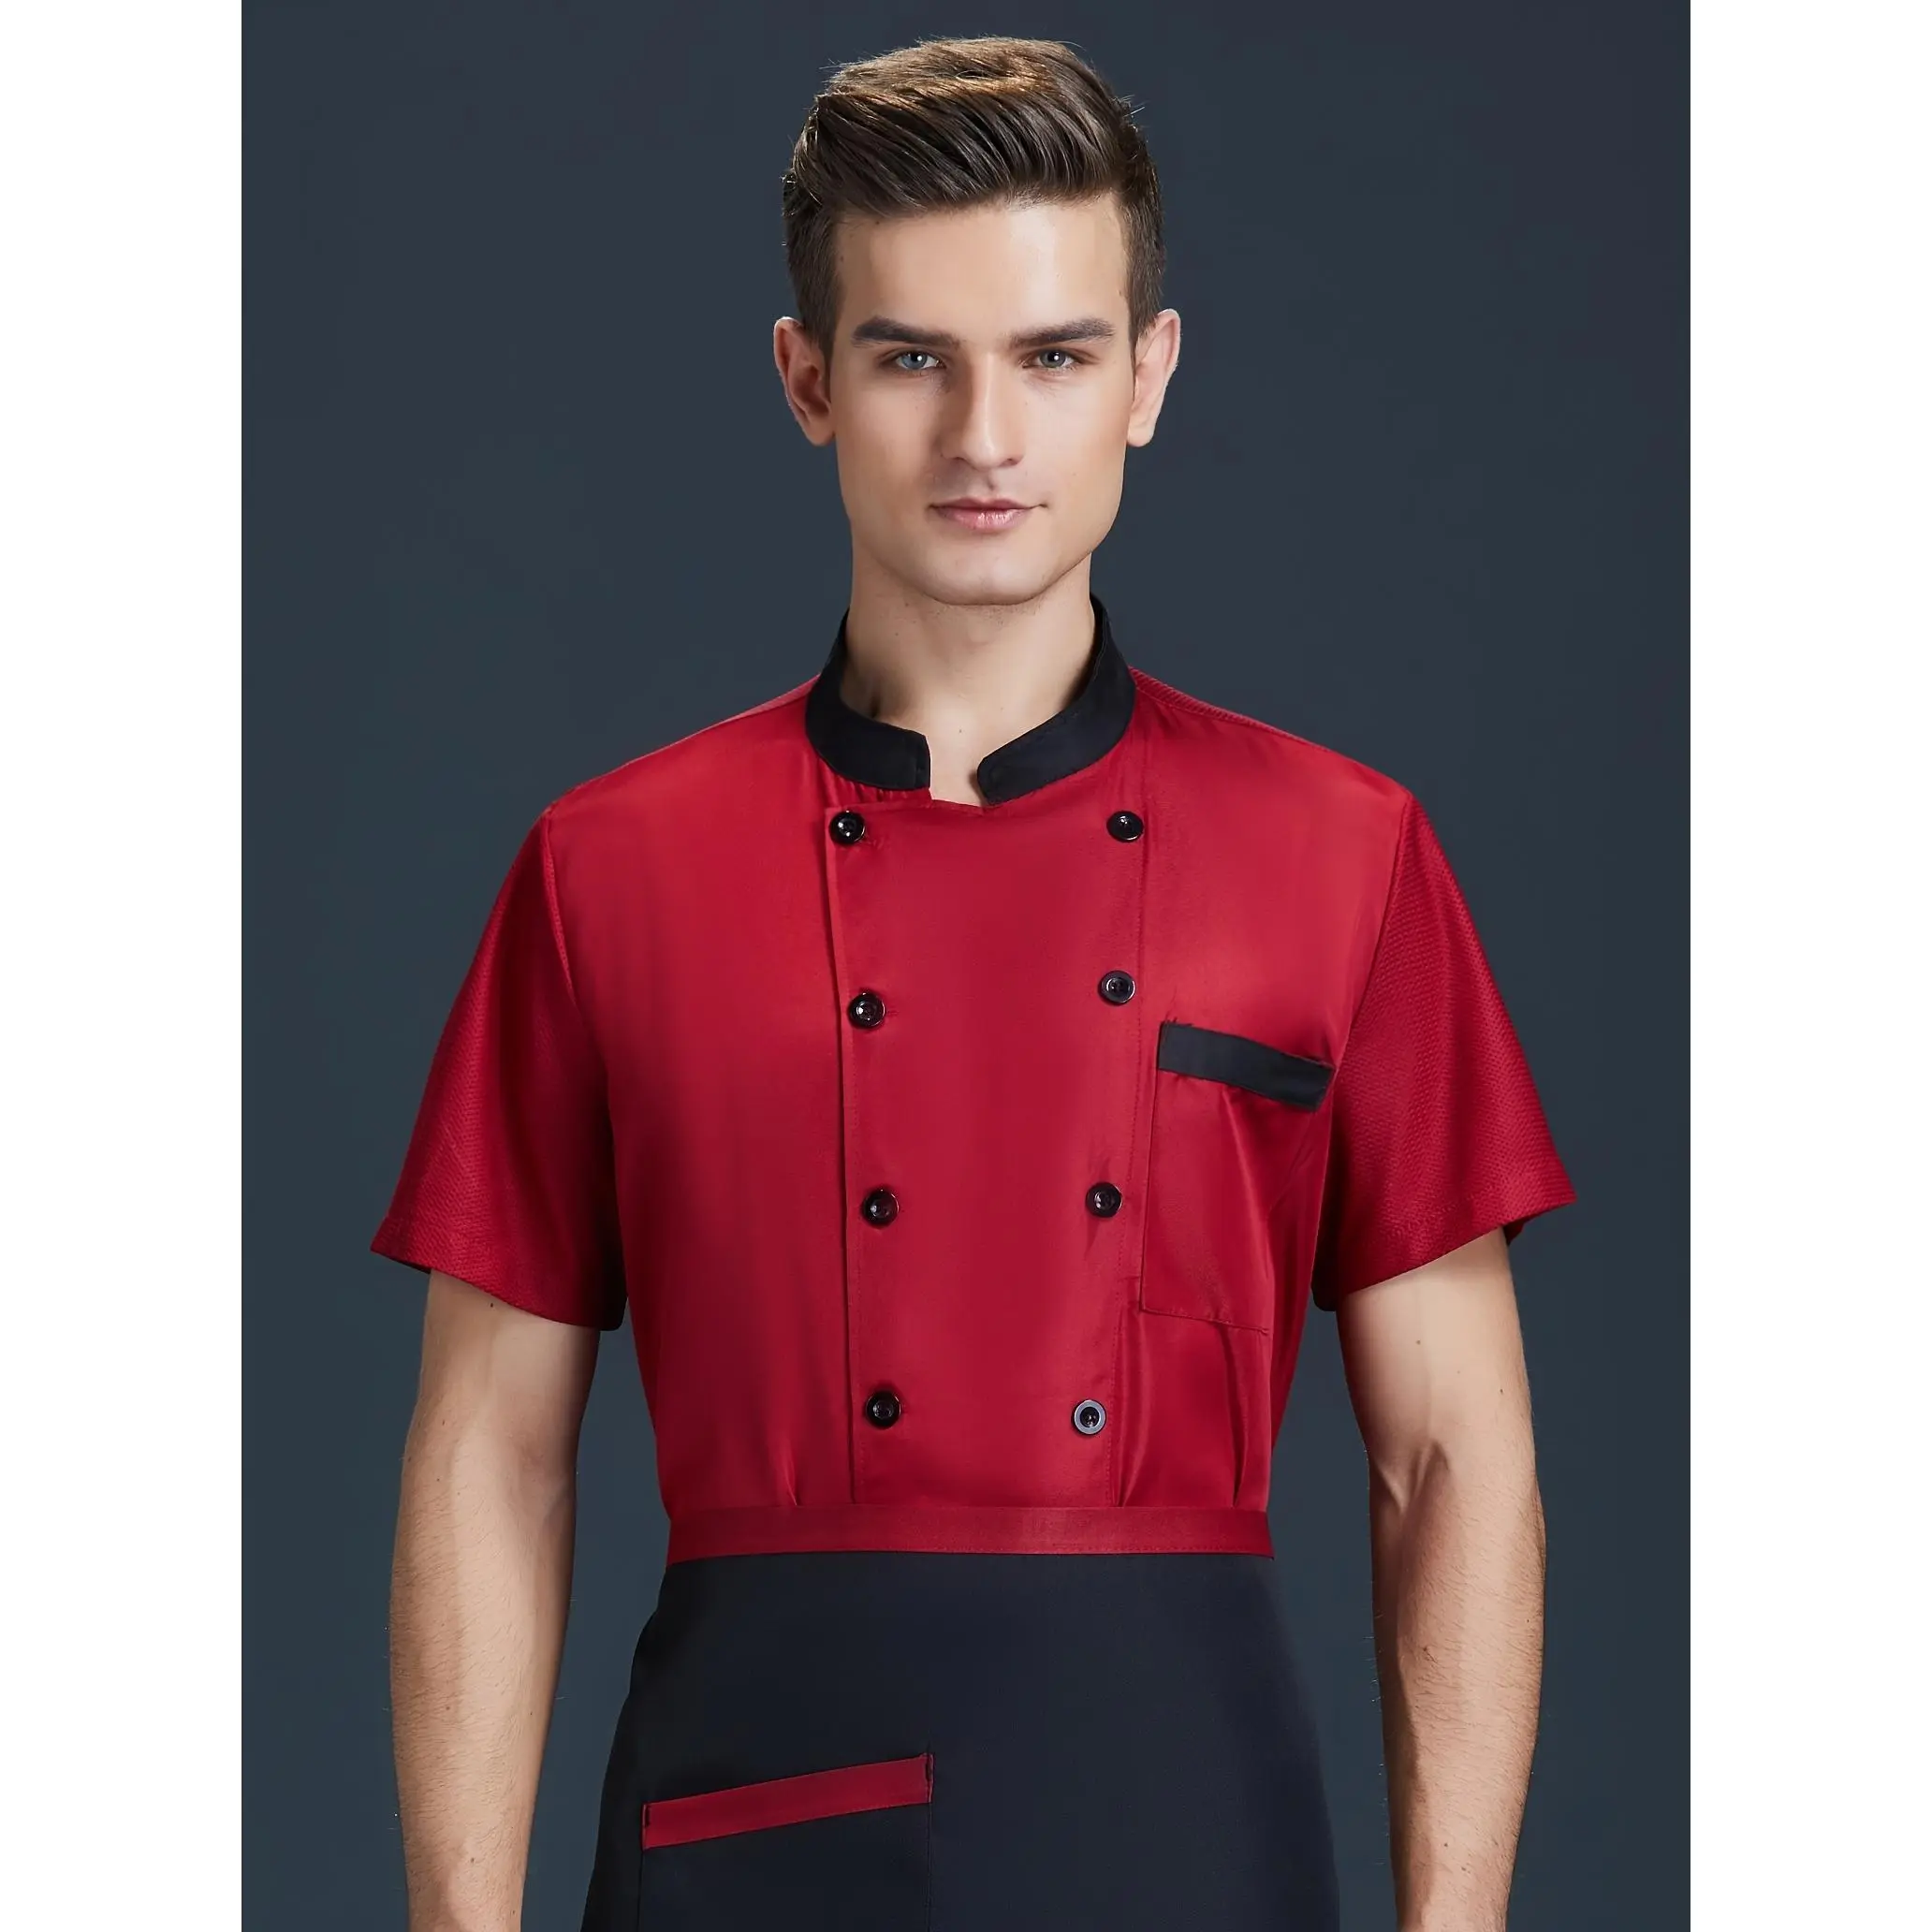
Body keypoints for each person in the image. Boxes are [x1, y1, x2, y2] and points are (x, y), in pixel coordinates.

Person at [371, 35, 1575, 1932]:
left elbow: (1453, 1461)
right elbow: (488, 1463)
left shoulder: (1346, 854)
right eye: (912, 359)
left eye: (1055, 357)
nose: (985, 438)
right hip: (750, 1839)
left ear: (1150, 377)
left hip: (1188, 1841)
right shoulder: (608, 869)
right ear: (807, 381)